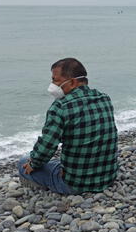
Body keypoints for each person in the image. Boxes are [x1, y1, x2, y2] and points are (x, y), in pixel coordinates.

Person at [17, 58, 118, 194]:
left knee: (23, 161)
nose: (52, 85)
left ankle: (38, 187)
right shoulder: (104, 98)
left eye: (56, 80)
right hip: (107, 178)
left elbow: (47, 146)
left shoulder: (60, 106)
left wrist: (33, 163)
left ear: (72, 82)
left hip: (74, 184)